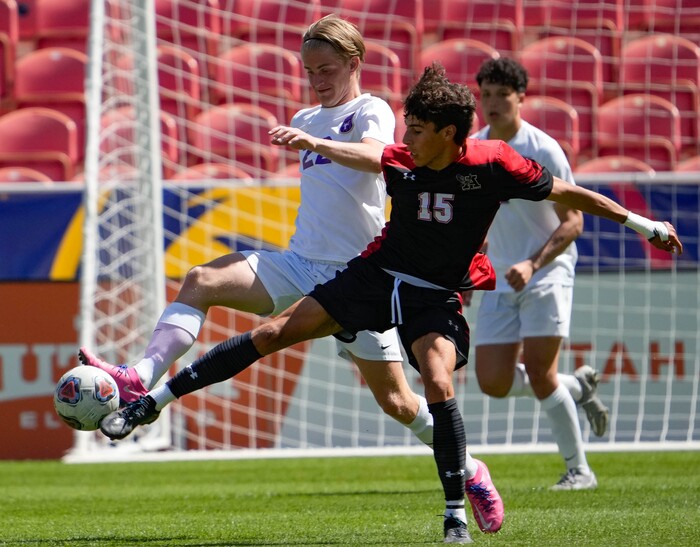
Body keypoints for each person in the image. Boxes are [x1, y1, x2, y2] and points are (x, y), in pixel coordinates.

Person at [99, 62, 682, 544]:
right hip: (375, 277)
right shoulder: (401, 160)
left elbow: (567, 192)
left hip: (435, 296)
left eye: (420, 129)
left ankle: (456, 514)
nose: (406, 139)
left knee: (432, 382)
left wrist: (642, 222)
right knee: (275, 332)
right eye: (407, 126)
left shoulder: (492, 166)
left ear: (452, 135)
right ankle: (151, 402)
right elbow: (365, 156)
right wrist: (313, 141)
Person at [80, 16, 502, 536]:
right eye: (309, 71)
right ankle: (140, 379)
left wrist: (313, 141)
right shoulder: (307, 113)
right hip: (300, 262)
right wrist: (308, 132)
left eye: (327, 68)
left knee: (397, 403)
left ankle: (472, 468)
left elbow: (379, 159)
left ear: (354, 63)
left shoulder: (370, 111)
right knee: (200, 280)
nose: (317, 80)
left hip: (358, 276)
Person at [469, 58, 609, 490]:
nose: (491, 104)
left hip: (545, 272)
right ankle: (578, 388)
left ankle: (579, 470)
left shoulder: (544, 150)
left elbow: (574, 222)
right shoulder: (474, 148)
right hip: (502, 275)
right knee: (493, 382)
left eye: (501, 95)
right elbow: (475, 218)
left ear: (520, 98)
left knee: (540, 372)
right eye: (485, 95)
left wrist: (533, 263)